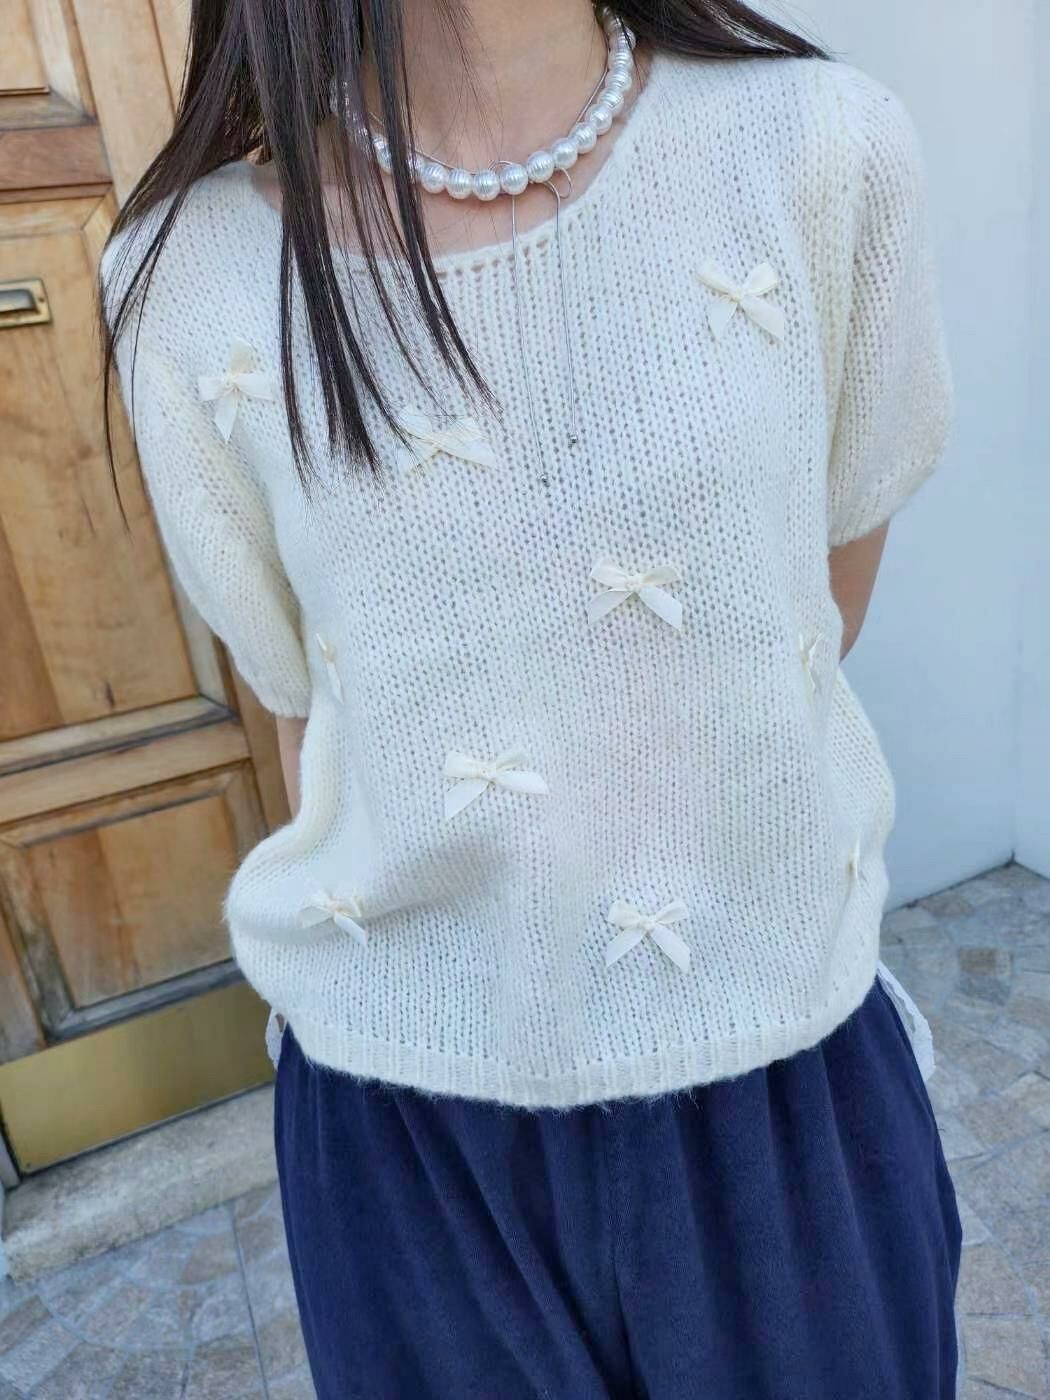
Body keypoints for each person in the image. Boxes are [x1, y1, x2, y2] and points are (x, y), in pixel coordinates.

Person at [99, 1, 962, 1395]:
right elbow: (313, 714)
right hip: (405, 1122)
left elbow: (812, 606)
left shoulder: (818, 147)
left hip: (775, 1071)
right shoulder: (183, 276)